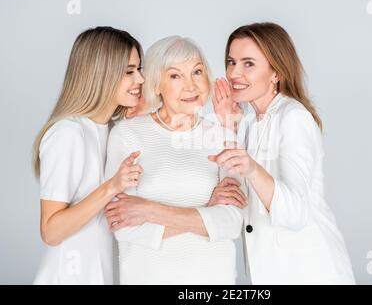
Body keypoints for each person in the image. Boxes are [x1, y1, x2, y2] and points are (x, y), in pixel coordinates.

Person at [210, 22, 356, 284]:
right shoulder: (245, 120)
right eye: (231, 62)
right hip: (269, 273)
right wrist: (228, 127)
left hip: (310, 271)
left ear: (275, 72)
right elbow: (235, 195)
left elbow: (295, 212)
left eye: (248, 64)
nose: (234, 73)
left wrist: (252, 168)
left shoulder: (294, 118)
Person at [104, 36, 245, 284]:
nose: (191, 86)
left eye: (197, 72)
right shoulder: (127, 135)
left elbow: (232, 222)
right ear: (156, 84)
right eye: (175, 76)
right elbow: (123, 225)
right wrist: (208, 212)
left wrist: (148, 210)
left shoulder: (222, 135)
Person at [32, 26, 145, 284]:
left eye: (139, 69)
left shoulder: (114, 131)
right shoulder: (67, 133)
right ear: (101, 74)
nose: (139, 80)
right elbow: (51, 231)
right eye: (129, 71)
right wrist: (111, 187)